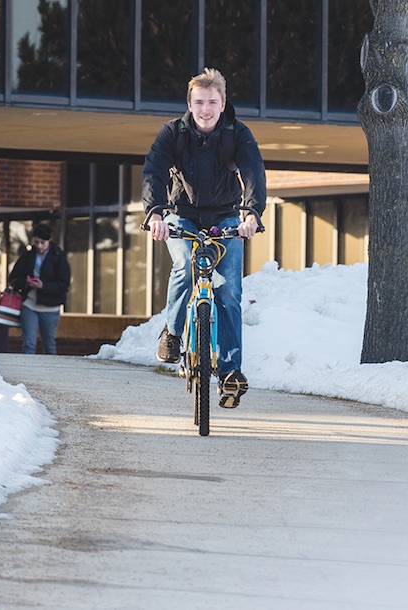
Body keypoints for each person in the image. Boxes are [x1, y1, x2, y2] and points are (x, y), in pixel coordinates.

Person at [142, 67, 266, 409]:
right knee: (184, 266)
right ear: (190, 103)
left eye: (212, 102)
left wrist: (251, 213)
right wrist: (155, 213)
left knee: (228, 290)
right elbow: (153, 170)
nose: (206, 109)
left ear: (223, 103)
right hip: (181, 215)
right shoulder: (173, 133)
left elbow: (253, 170)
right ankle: (173, 330)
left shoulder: (236, 134)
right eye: (199, 102)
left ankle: (229, 373)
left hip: (226, 217)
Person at [7, 224, 71, 355]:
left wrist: (43, 286)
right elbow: (13, 278)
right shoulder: (28, 256)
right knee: (29, 343)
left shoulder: (59, 256)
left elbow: (64, 284)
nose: (39, 246)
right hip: (29, 305)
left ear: (50, 240)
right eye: (36, 242)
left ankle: (50, 374)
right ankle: (26, 373)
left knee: (49, 345)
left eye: (43, 242)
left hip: (50, 308)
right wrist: (26, 281)